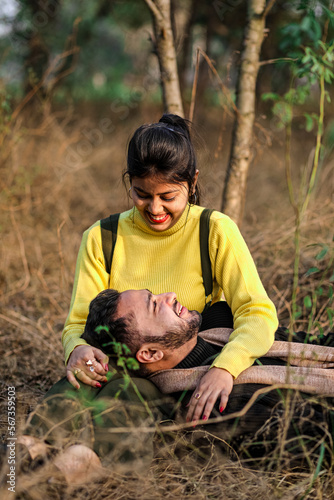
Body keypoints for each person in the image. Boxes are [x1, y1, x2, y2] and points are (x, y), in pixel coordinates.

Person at [62, 113, 279, 420]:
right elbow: (80, 321)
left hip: (182, 370)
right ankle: (29, 452)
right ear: (130, 183)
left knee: (125, 400)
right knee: (72, 389)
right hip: (114, 362)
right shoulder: (102, 237)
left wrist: (225, 368)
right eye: (142, 194)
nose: (155, 209)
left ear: (192, 184)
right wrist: (76, 349)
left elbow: (257, 312)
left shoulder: (214, 230)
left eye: (167, 197)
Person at [21, 288, 333, 477]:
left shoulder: (220, 324)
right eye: (155, 305)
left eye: (154, 295)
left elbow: (314, 342)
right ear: (151, 353)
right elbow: (320, 437)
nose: (170, 296)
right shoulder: (217, 407)